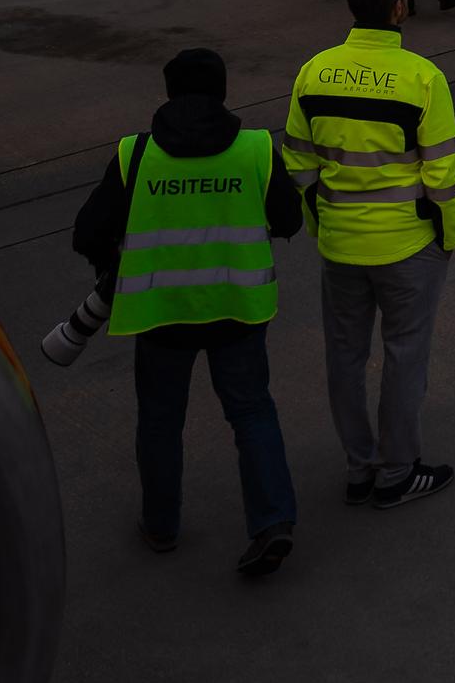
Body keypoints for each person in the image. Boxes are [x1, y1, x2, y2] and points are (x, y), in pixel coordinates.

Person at [72, 46, 301, 577]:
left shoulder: (136, 154)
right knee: (251, 412)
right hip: (237, 309)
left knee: (160, 419)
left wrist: (113, 269)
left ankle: (161, 525)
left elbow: (88, 233)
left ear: (169, 91)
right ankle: (273, 522)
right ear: (222, 91)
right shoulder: (256, 150)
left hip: (161, 314)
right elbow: (288, 219)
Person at [283, 0, 455, 511]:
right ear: (398, 9)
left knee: (344, 356)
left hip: (340, 246)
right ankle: (397, 473)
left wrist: (323, 226)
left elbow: (298, 163)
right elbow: (444, 176)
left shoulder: (313, 73)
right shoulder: (422, 78)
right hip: (407, 247)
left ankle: (359, 467)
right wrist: (449, 237)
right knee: (405, 356)